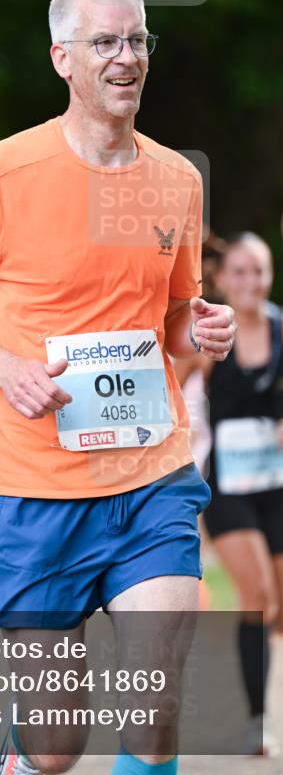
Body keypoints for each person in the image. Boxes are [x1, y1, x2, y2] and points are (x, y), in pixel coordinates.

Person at [0, 0, 236, 775]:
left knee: (154, 697)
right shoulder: (1, 172)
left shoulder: (176, 180)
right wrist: (4, 368)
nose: (126, 58)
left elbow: (169, 323)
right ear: (61, 58)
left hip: (149, 475)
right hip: (33, 492)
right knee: (57, 746)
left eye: (137, 41)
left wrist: (203, 332)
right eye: (105, 42)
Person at [176, 232, 283, 757]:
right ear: (222, 279)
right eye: (240, 272)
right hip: (228, 487)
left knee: (276, 608)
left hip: (278, 485)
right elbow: (167, 384)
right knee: (259, 596)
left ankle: (236, 661)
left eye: (259, 271)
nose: (251, 282)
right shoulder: (212, 336)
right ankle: (254, 723)